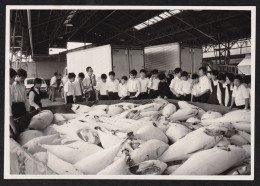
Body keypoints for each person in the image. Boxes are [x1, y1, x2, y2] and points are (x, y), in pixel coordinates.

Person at [9, 68, 17, 138]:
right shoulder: (8, 87)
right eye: (14, 77)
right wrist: (14, 128)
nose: (14, 79)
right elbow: (8, 111)